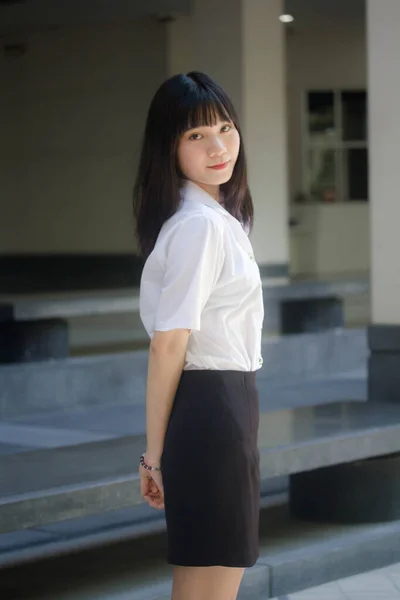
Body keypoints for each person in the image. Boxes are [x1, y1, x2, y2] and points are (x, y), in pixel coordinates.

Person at [133, 71, 264, 600]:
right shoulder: (200, 226)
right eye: (195, 135)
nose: (218, 146)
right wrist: (153, 456)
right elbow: (168, 343)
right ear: (169, 148)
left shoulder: (212, 218)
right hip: (213, 407)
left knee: (201, 577)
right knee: (213, 582)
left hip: (219, 405)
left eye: (225, 128)